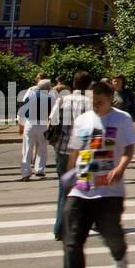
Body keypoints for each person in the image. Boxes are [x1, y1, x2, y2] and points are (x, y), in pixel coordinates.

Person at [62, 78, 135, 268]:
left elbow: (130, 148)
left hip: (109, 191)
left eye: (100, 102)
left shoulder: (122, 119)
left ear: (111, 99)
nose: (96, 106)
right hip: (80, 189)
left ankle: (120, 256)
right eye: (93, 102)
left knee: (111, 235)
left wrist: (121, 167)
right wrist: (68, 180)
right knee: (72, 242)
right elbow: (75, 152)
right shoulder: (82, 120)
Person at [49, 72, 93, 241]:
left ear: (74, 84)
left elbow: (52, 121)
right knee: (84, 187)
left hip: (62, 149)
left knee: (64, 189)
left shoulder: (63, 100)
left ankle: (59, 227)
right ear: (89, 85)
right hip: (83, 151)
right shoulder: (91, 102)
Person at [17, 74, 54, 180]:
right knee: (42, 148)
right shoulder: (50, 98)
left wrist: (21, 124)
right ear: (46, 88)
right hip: (42, 125)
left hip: (30, 124)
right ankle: (39, 170)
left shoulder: (30, 96)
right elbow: (53, 114)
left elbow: (21, 112)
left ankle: (25, 173)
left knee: (27, 148)